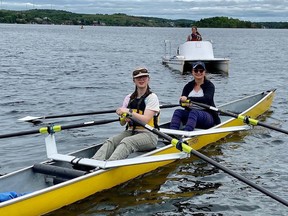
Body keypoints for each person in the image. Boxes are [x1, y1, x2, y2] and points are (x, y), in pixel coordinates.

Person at [92, 67, 160, 161]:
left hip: (149, 135)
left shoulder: (152, 98)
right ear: (134, 80)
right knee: (111, 141)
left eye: (144, 77)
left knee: (127, 142)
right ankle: (94, 162)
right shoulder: (129, 98)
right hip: (131, 132)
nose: (141, 80)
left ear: (148, 79)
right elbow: (122, 123)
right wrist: (123, 118)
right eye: (138, 78)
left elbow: (145, 119)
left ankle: (109, 164)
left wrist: (128, 112)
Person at [170, 61, 220, 131]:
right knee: (178, 111)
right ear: (192, 72)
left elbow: (207, 99)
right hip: (191, 115)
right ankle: (172, 134)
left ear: (204, 72)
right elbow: (181, 102)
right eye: (196, 70)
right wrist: (185, 104)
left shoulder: (209, 86)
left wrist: (189, 99)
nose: (198, 72)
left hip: (208, 116)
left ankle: (186, 135)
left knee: (194, 112)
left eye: (201, 70)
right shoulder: (188, 86)